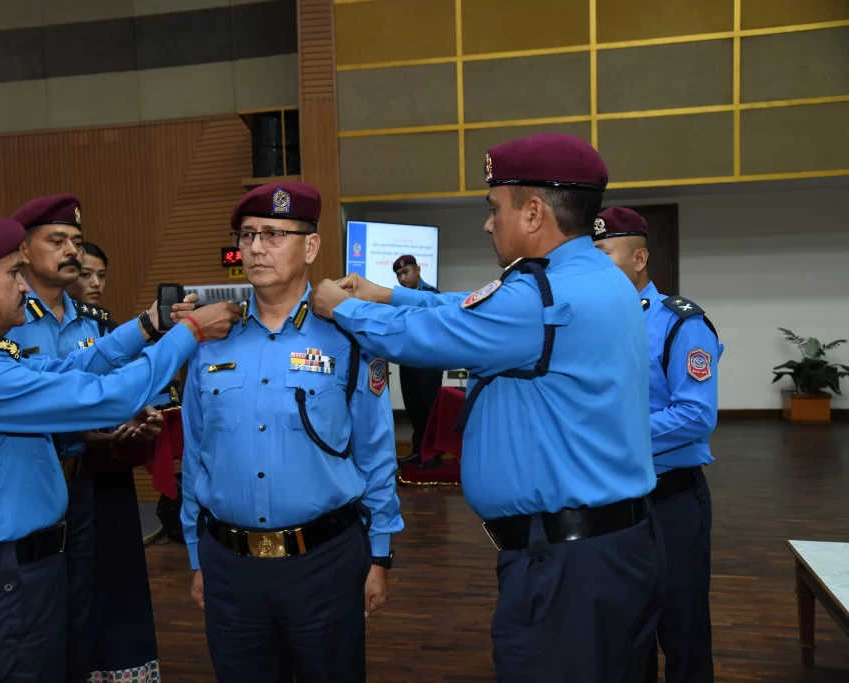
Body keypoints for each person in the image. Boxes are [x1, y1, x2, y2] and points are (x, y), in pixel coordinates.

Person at [309, 133, 664, 683]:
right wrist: (391, 294)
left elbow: (432, 334)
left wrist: (345, 309)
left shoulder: (540, 295)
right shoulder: (594, 278)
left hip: (565, 567)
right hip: (610, 549)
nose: (488, 222)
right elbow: (471, 306)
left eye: (494, 207)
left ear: (534, 212)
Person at [0, 215, 240, 683]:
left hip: (19, 575)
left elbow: (71, 369)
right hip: (2, 585)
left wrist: (149, 325)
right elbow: (111, 397)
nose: (24, 287)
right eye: (12, 274)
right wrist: (191, 334)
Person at [181, 182, 403, 683]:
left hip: (324, 563)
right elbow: (196, 452)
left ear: (311, 246)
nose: (257, 247)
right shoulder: (210, 340)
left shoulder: (348, 336)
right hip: (230, 566)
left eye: (276, 234)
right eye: (249, 234)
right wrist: (197, 555)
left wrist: (382, 552)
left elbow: (375, 449)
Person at [7, 194, 152, 682]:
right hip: (27, 487)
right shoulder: (3, 320)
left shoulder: (91, 322)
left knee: (82, 611)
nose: (71, 250)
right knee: (38, 619)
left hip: (81, 483)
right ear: (23, 251)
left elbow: (97, 386)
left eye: (75, 240)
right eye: (56, 240)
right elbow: (35, 398)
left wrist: (133, 414)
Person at [593, 206, 721, 683]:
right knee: (628, 633)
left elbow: (697, 414)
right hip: (615, 503)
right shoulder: (593, 326)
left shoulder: (679, 323)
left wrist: (617, 434)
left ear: (639, 257)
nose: (594, 265)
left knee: (683, 632)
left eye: (604, 254)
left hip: (671, 503)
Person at [390, 254, 444, 465]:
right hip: (408, 361)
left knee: (428, 409)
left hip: (428, 363)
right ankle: (419, 450)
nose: (402, 278)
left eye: (405, 272)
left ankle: (433, 454)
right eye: (398, 275)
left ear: (418, 270)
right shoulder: (399, 299)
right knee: (413, 408)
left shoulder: (431, 295)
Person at [67, 241, 108, 308]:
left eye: (101, 275)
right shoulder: (48, 316)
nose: (97, 283)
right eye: (85, 274)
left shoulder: (100, 316)